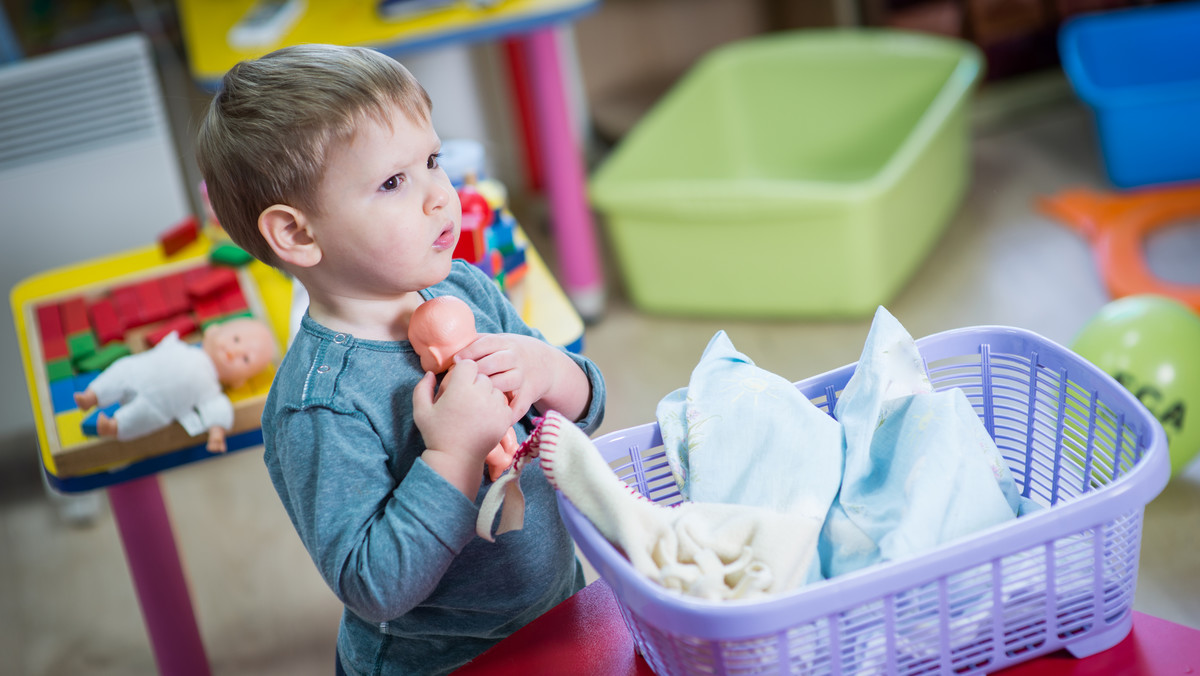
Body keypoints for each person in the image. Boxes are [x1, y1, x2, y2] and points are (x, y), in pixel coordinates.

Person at [195, 44, 606, 675]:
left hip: (558, 605)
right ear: (299, 234)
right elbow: (374, 586)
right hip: (445, 662)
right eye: (393, 181)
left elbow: (582, 416)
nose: (441, 196)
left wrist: (551, 371)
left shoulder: (466, 287)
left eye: (433, 161)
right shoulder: (320, 404)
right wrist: (452, 455)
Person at [73, 317, 277, 452]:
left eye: (246, 359)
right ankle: (92, 395)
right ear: (212, 332)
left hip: (157, 405)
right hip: (140, 371)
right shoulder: (181, 346)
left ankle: (113, 427)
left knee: (143, 418)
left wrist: (216, 432)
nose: (234, 351)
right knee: (121, 370)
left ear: (239, 382)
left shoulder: (211, 390)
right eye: (236, 339)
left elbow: (218, 410)